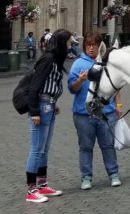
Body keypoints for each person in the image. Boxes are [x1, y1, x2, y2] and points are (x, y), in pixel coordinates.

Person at [20, 29, 71, 203]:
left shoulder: (55, 60)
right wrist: (34, 111)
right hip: (41, 107)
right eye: (69, 42)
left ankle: (42, 184)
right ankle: (31, 189)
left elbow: (50, 85)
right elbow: (35, 86)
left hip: (49, 105)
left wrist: (53, 103)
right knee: (36, 149)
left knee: (44, 149)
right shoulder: (48, 59)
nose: (71, 45)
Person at [68, 33, 122, 190]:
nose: (91, 47)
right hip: (83, 114)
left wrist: (118, 106)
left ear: (100, 47)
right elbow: (71, 89)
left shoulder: (107, 63)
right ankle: (86, 177)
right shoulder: (78, 64)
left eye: (94, 45)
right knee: (85, 147)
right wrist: (80, 80)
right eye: (88, 45)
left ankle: (113, 174)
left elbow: (116, 86)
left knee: (108, 145)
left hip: (106, 112)